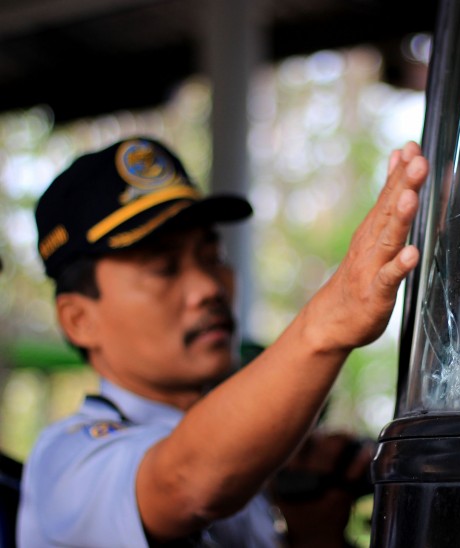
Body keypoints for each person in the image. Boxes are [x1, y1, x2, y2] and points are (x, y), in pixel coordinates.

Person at [16, 136, 428, 547]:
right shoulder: (65, 460)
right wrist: (328, 324)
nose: (208, 288)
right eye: (164, 267)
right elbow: (182, 482)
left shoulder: (249, 467)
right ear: (79, 320)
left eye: (213, 257)